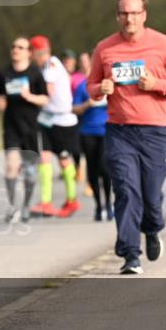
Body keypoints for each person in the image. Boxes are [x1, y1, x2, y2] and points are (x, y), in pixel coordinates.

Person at [86, 0, 166, 274]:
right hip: (120, 132)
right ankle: (130, 254)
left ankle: (153, 228)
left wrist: (156, 84)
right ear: (117, 16)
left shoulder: (163, 44)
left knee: (151, 197)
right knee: (126, 191)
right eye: (124, 13)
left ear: (144, 15)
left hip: (155, 132)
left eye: (134, 13)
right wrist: (100, 89)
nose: (129, 18)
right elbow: (91, 86)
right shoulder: (105, 48)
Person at [0, 37, 49, 223]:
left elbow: (45, 99)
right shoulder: (5, 73)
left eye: (20, 47)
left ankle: (25, 205)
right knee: (11, 165)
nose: (15, 50)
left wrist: (29, 96)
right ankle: (12, 206)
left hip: (30, 128)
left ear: (29, 53)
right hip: (11, 126)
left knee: (30, 173)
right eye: (13, 46)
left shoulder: (35, 73)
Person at [30, 36, 81, 218]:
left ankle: (72, 199)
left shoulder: (50, 66)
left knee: (64, 160)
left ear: (37, 52)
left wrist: (29, 98)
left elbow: (48, 91)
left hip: (61, 121)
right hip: (48, 119)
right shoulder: (51, 64)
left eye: (32, 53)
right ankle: (46, 201)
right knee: (44, 157)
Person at [72, 58, 114, 220]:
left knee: (105, 168)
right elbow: (74, 109)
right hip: (87, 132)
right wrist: (87, 104)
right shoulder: (83, 86)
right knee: (92, 170)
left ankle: (109, 204)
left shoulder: (109, 85)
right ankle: (98, 206)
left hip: (106, 130)